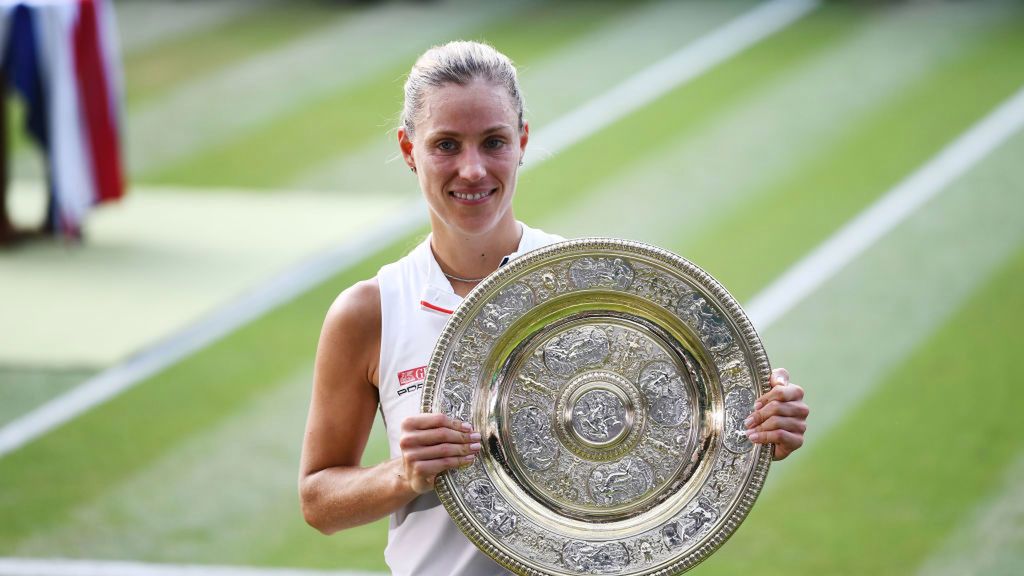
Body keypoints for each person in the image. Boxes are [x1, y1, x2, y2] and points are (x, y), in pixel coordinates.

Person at [299, 41, 809, 576]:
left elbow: (666, 424)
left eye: (492, 142)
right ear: (409, 150)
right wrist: (401, 475)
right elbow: (319, 501)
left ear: (522, 141)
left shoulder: (593, 288)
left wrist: (760, 426)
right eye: (446, 145)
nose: (472, 170)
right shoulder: (371, 311)